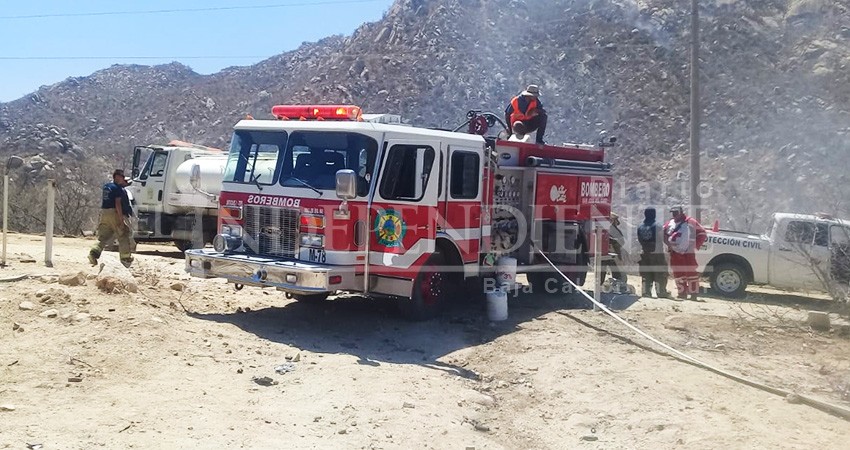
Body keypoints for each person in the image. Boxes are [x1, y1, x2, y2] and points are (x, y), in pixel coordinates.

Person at [89, 169, 134, 268]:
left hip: (105, 213)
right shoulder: (117, 188)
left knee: (103, 237)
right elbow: (118, 204)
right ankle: (125, 259)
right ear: (118, 177)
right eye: (122, 177)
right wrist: (121, 220)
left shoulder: (106, 187)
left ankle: (93, 254)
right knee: (123, 234)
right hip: (114, 213)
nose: (123, 179)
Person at [663, 206, 707, 301]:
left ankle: (694, 294)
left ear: (681, 212)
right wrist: (668, 245)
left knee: (691, 273)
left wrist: (695, 245)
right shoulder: (669, 223)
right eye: (673, 213)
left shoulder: (691, 221)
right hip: (675, 253)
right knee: (678, 273)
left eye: (676, 213)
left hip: (688, 253)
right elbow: (663, 234)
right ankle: (682, 293)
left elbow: (702, 233)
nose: (674, 215)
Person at [637, 207, 670, 298]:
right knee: (660, 273)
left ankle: (646, 292)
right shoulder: (657, 225)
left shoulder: (640, 226)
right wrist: (670, 246)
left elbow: (640, 239)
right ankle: (661, 292)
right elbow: (662, 238)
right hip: (657, 253)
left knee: (646, 273)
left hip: (645, 252)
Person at [603, 212, 628, 284]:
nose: (618, 222)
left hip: (611, 254)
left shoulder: (609, 229)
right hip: (612, 254)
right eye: (616, 220)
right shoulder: (610, 230)